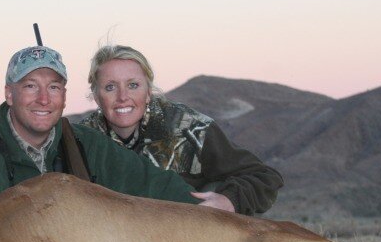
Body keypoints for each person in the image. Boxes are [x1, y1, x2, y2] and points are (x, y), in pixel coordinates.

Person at [0, 45, 227, 218]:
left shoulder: (86, 143)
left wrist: (207, 210)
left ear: (64, 96)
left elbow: (153, 184)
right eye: (30, 86)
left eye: (53, 87)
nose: (43, 99)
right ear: (9, 94)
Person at [80, 45, 283, 215]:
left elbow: (264, 177)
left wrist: (229, 201)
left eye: (133, 85)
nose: (123, 96)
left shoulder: (189, 129)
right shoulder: (82, 140)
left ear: (149, 92)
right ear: (96, 96)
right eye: (110, 87)